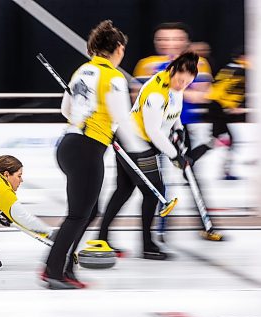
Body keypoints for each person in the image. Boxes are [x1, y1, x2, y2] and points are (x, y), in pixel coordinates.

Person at [42, 20, 148, 290]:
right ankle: (54, 271)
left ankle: (62, 267)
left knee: (88, 211)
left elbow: (67, 110)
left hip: (70, 144)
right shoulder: (113, 77)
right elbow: (122, 118)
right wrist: (141, 152)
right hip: (87, 148)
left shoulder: (82, 71)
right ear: (119, 48)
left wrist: (94, 122)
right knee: (79, 214)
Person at [95, 52, 200, 260]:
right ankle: (147, 245)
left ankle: (102, 238)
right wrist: (175, 155)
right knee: (154, 191)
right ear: (172, 70)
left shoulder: (175, 85)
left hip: (139, 141)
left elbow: (173, 113)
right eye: (180, 80)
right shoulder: (155, 92)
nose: (182, 86)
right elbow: (153, 131)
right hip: (134, 142)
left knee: (124, 190)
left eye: (188, 83)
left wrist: (178, 130)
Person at [132, 22, 213, 241]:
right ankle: (160, 226)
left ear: (185, 42)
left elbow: (203, 95)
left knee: (191, 176)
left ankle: (206, 225)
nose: (170, 44)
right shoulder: (147, 65)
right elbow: (138, 98)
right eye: (164, 39)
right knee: (159, 181)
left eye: (176, 39)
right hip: (155, 131)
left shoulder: (199, 64)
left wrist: (176, 83)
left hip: (184, 128)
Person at [187, 47, 248, 181]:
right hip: (218, 107)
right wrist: (230, 105)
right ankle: (189, 161)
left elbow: (221, 87)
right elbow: (231, 90)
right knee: (219, 140)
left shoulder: (230, 68)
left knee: (218, 140)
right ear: (243, 58)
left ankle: (190, 161)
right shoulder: (241, 70)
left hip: (215, 106)